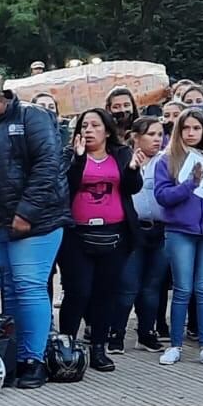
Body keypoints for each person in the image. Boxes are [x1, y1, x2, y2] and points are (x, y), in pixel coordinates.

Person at [0, 75, 70, 389]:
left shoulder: (33, 117)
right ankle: (16, 356)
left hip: (32, 223)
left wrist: (26, 212)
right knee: (8, 288)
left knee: (28, 286)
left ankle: (33, 359)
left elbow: (48, 166)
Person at [60, 109, 141, 373]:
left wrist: (131, 171)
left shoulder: (121, 155)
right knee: (78, 292)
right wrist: (79, 160)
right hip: (77, 235)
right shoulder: (69, 156)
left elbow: (132, 187)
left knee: (106, 293)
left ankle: (98, 348)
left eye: (95, 125)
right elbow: (65, 188)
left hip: (114, 234)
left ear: (107, 130)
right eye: (84, 125)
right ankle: (67, 346)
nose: (89, 130)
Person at [153, 108, 203, 367]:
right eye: (186, 128)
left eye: (196, 128)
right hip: (180, 230)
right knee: (183, 288)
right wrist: (190, 184)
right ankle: (175, 345)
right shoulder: (168, 159)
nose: (191, 133)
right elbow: (163, 197)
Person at [110, 116, 170, 353]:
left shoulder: (167, 161)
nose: (157, 139)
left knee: (152, 286)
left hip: (160, 228)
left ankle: (147, 332)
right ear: (136, 137)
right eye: (151, 134)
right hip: (132, 230)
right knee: (128, 286)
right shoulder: (123, 159)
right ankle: (116, 333)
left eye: (160, 134)